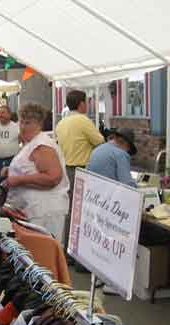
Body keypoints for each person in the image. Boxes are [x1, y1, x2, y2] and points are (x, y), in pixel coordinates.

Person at [2, 103, 69, 245]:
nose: (23, 126)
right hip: (34, 210)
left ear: (39, 123)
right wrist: (11, 170)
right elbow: (31, 167)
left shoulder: (42, 145)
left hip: (45, 212)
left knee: (43, 255)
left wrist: (18, 179)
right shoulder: (32, 143)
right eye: (21, 121)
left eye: (28, 123)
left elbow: (53, 177)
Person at [55, 90, 104, 252]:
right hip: (82, 169)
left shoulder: (62, 123)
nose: (89, 105)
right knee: (83, 212)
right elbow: (100, 141)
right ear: (82, 103)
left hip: (66, 168)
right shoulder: (83, 120)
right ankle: (78, 252)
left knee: (71, 210)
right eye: (87, 102)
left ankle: (68, 248)